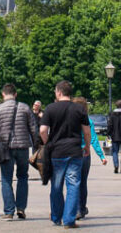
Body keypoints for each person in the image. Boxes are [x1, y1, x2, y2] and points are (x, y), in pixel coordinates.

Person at [40, 81, 91, 229]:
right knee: (73, 185)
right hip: (75, 151)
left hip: (57, 152)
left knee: (56, 186)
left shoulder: (50, 108)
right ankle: (69, 220)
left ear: (59, 92)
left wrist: (48, 143)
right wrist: (86, 146)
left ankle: (56, 217)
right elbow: (86, 131)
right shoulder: (79, 109)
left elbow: (43, 130)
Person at [0, 84, 37, 221]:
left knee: (6, 179)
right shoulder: (25, 107)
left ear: (3, 94)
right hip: (22, 147)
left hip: (5, 148)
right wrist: (36, 149)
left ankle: (9, 211)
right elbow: (34, 130)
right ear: (15, 94)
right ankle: (21, 208)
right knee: (22, 177)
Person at [72, 98, 106, 220]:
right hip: (84, 153)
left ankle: (75, 209)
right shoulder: (88, 121)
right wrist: (101, 156)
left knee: (73, 182)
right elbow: (93, 139)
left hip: (71, 153)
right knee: (82, 183)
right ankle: (81, 208)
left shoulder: (69, 120)